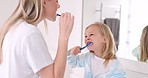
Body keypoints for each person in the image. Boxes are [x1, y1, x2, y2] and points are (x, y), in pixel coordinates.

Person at [0, 0, 74, 78]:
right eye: (56, 1)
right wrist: (64, 36)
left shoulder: (16, 28)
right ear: (44, 2)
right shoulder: (30, 33)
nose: (58, 6)